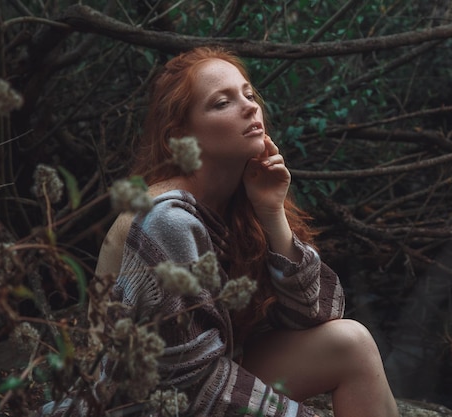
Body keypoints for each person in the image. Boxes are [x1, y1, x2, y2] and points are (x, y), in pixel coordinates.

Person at [68, 47, 398, 417]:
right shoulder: (166, 221)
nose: (249, 107)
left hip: (210, 370)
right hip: (141, 401)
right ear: (181, 135)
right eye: (222, 102)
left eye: (249, 94)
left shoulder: (240, 199)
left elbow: (319, 315)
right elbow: (188, 382)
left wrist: (272, 212)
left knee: (351, 343)